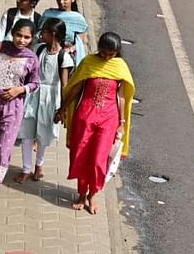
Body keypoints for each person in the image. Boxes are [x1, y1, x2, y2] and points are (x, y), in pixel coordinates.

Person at [57, 32, 135, 216]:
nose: (107, 57)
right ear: (99, 48)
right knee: (82, 155)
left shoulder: (120, 66)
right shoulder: (89, 62)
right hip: (85, 117)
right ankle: (81, 194)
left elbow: (122, 96)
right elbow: (76, 87)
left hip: (109, 119)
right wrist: (63, 108)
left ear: (117, 52)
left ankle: (93, 194)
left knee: (99, 159)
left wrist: (122, 122)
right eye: (104, 53)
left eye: (111, 54)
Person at [0, 19, 40, 213]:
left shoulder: (31, 58)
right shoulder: (1, 48)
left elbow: (35, 83)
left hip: (12, 109)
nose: (21, 40)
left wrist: (20, 89)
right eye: (19, 35)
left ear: (32, 38)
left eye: (27, 37)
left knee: (2, 148)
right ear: (12, 32)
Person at [16, 18, 73, 184]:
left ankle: (39, 164)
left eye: (45, 32)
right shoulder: (38, 49)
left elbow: (64, 84)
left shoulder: (64, 57)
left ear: (53, 35)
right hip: (33, 93)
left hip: (50, 98)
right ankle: (26, 168)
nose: (42, 34)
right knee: (26, 130)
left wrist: (62, 109)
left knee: (44, 132)